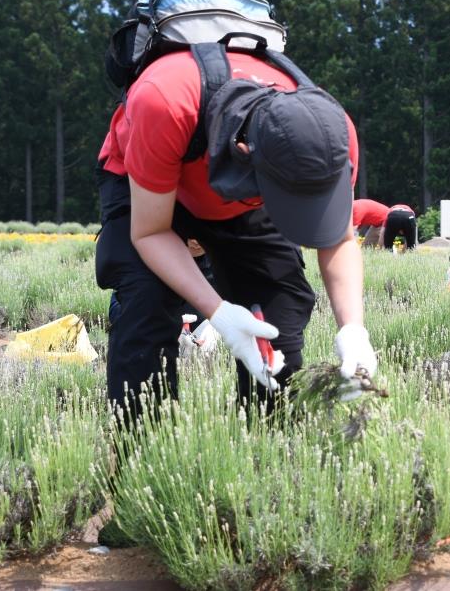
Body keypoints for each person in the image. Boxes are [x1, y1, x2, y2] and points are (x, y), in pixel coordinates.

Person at [95, 39, 377, 424]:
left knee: (279, 315)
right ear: (246, 153)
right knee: (147, 304)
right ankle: (140, 455)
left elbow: (340, 239)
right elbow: (151, 234)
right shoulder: (164, 101)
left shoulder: (334, 133)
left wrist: (353, 331)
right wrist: (220, 313)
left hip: (249, 189)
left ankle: (272, 451)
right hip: (150, 181)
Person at [352, 199, 418, 250]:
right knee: (366, 248)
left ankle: (392, 256)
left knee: (385, 247)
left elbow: (352, 233)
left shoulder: (356, 209)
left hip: (386, 220)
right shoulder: (354, 206)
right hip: (377, 223)